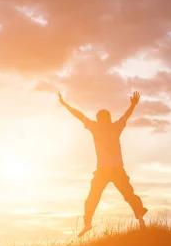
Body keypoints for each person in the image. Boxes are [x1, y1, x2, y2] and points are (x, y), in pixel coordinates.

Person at [59, 91, 148, 237]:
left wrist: (64, 104)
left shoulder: (96, 127)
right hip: (117, 169)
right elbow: (126, 115)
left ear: (99, 119)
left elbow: (79, 115)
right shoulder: (116, 127)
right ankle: (140, 218)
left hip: (103, 170)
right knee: (128, 194)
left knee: (93, 197)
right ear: (108, 118)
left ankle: (88, 223)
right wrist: (133, 105)